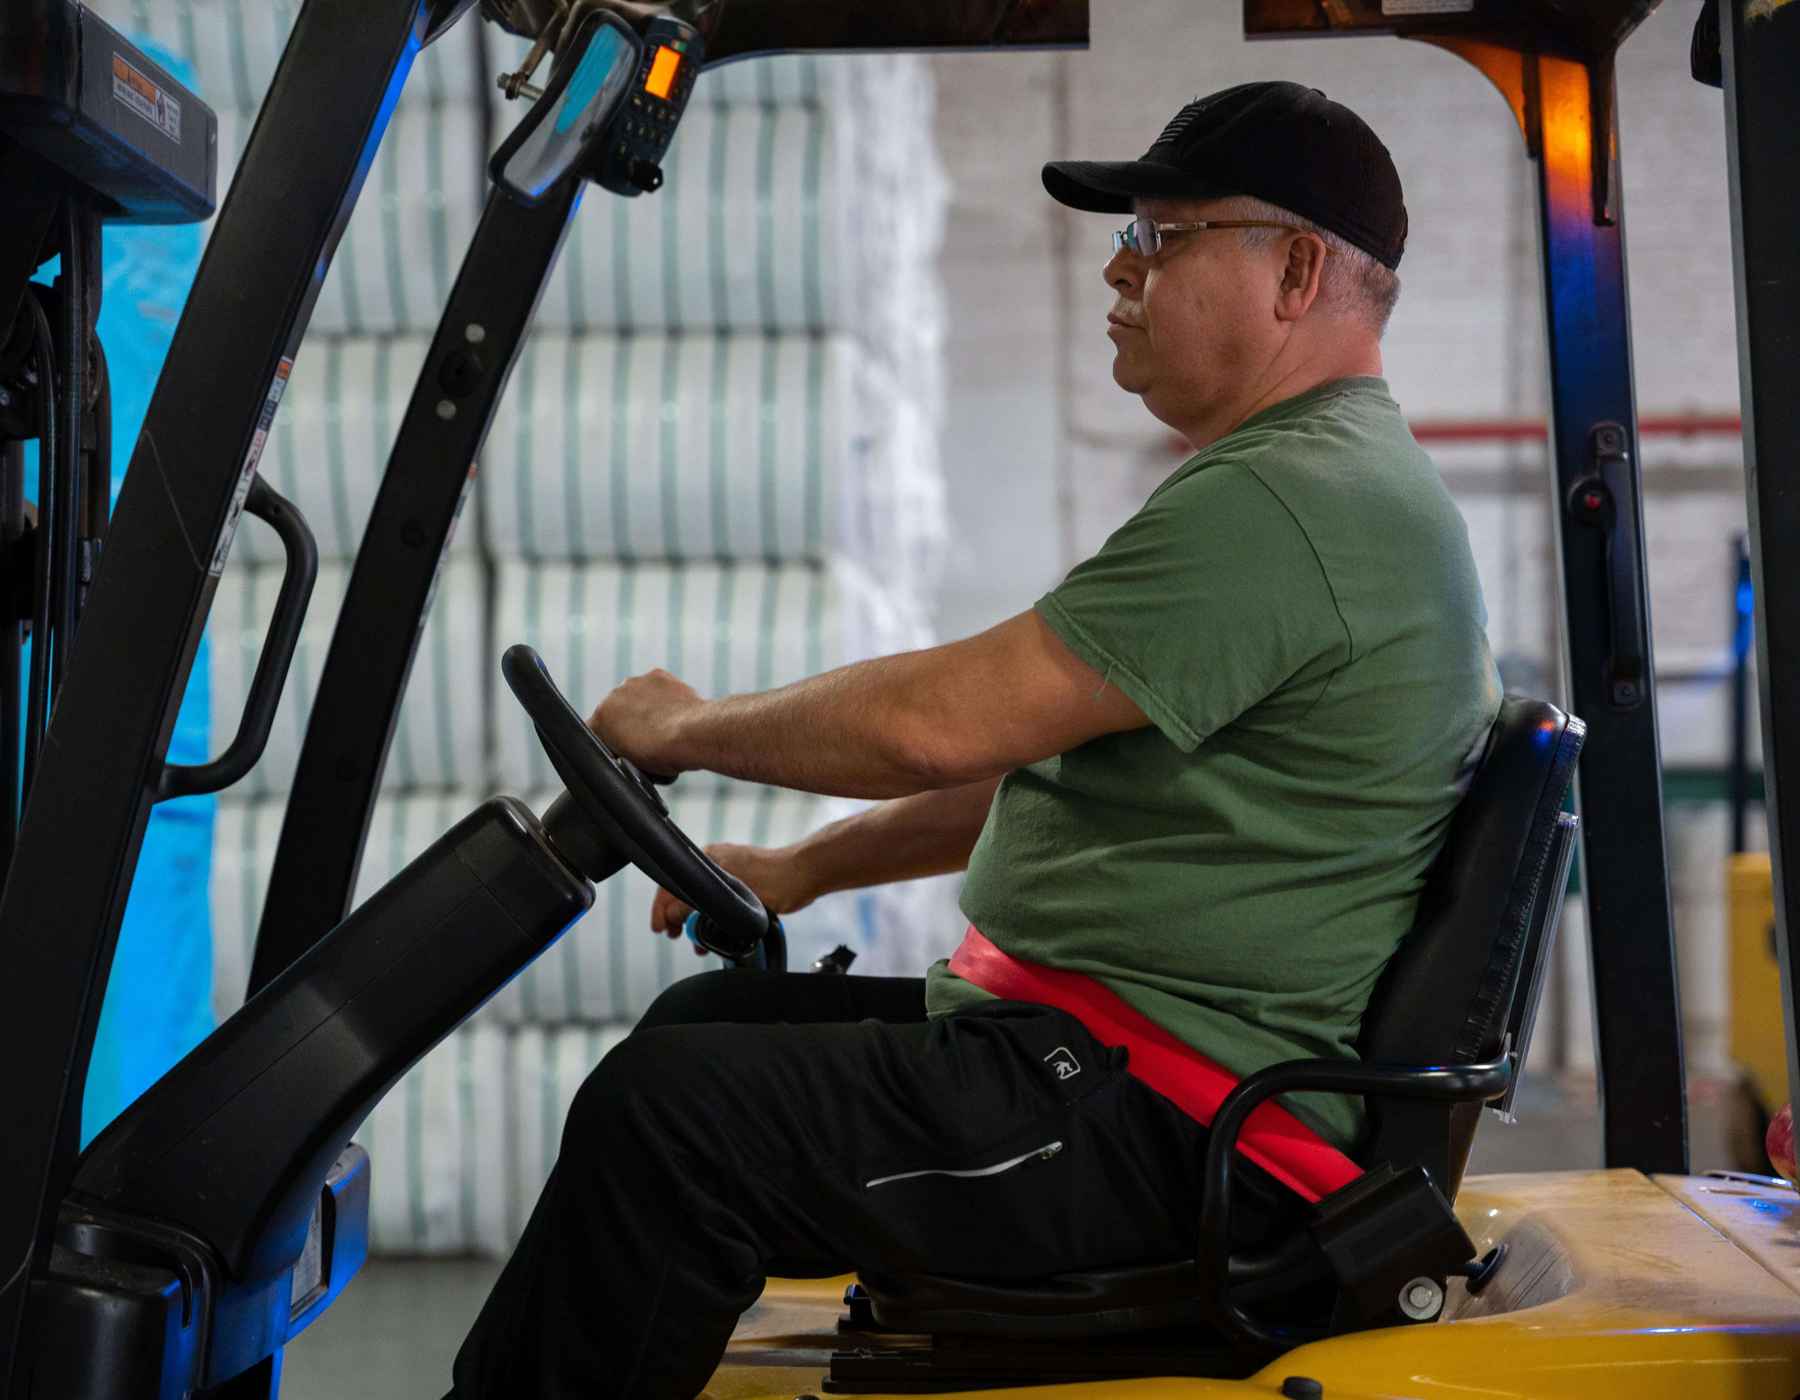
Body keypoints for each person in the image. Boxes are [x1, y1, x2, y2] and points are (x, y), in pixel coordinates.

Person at [448, 80, 1501, 1399]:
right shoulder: (1303, 484)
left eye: (1162, 237)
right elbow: (1043, 763)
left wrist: (684, 727)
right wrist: (806, 872)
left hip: (1176, 1130)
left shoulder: (1297, 502)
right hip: (1121, 1065)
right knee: (703, 1029)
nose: (1120, 267)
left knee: (673, 1120)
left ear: (1294, 269)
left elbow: (937, 727)